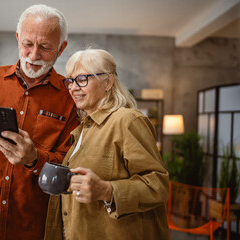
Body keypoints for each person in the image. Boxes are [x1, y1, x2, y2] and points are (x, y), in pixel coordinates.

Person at [0, 4, 79, 240]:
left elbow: (68, 169)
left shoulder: (71, 99)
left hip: (29, 227)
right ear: (18, 38)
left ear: (61, 49)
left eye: (46, 47)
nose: (34, 54)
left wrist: (34, 159)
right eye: (28, 44)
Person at [44, 49, 169, 240]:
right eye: (70, 81)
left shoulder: (128, 121)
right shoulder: (84, 127)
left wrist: (107, 190)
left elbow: (158, 185)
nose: (73, 88)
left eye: (82, 79)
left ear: (108, 82)